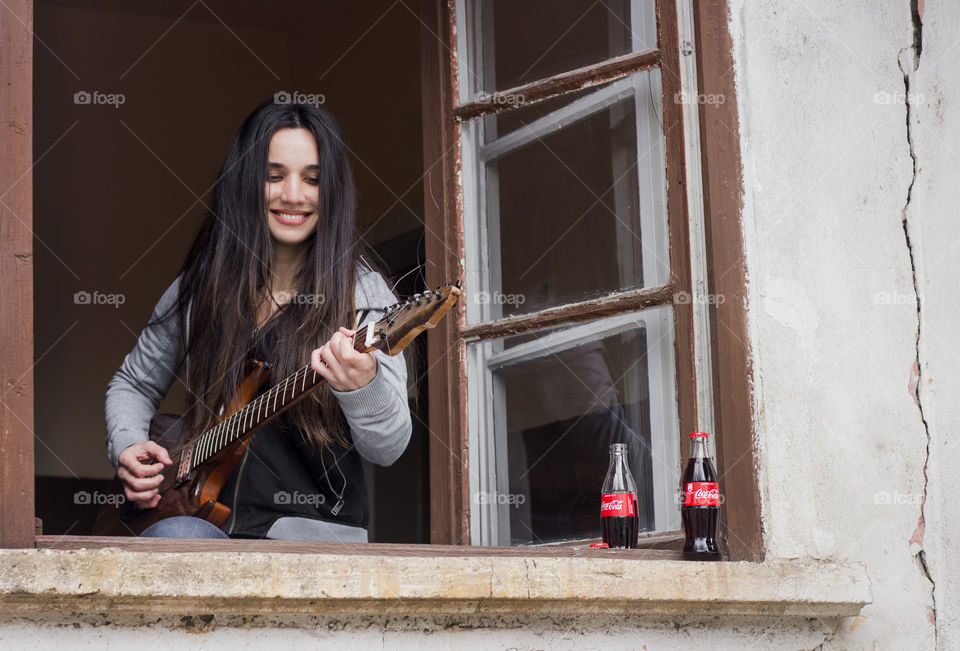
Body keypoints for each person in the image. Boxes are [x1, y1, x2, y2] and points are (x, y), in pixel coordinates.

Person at [104, 99, 412, 542]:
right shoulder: (200, 288)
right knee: (179, 539)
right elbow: (132, 383)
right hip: (200, 527)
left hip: (311, 544)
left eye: (313, 179)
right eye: (274, 176)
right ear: (248, 182)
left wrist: (363, 389)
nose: (293, 194)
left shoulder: (362, 295)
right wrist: (130, 444)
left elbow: (389, 447)